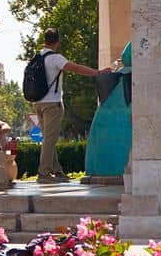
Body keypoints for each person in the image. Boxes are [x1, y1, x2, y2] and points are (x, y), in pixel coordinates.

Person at [27, 29, 111, 184]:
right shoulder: (55, 58)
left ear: (45, 40)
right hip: (52, 104)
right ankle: (43, 173)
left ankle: (57, 171)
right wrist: (98, 72)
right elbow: (76, 68)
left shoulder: (38, 57)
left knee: (48, 139)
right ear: (57, 41)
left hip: (37, 102)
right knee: (50, 140)